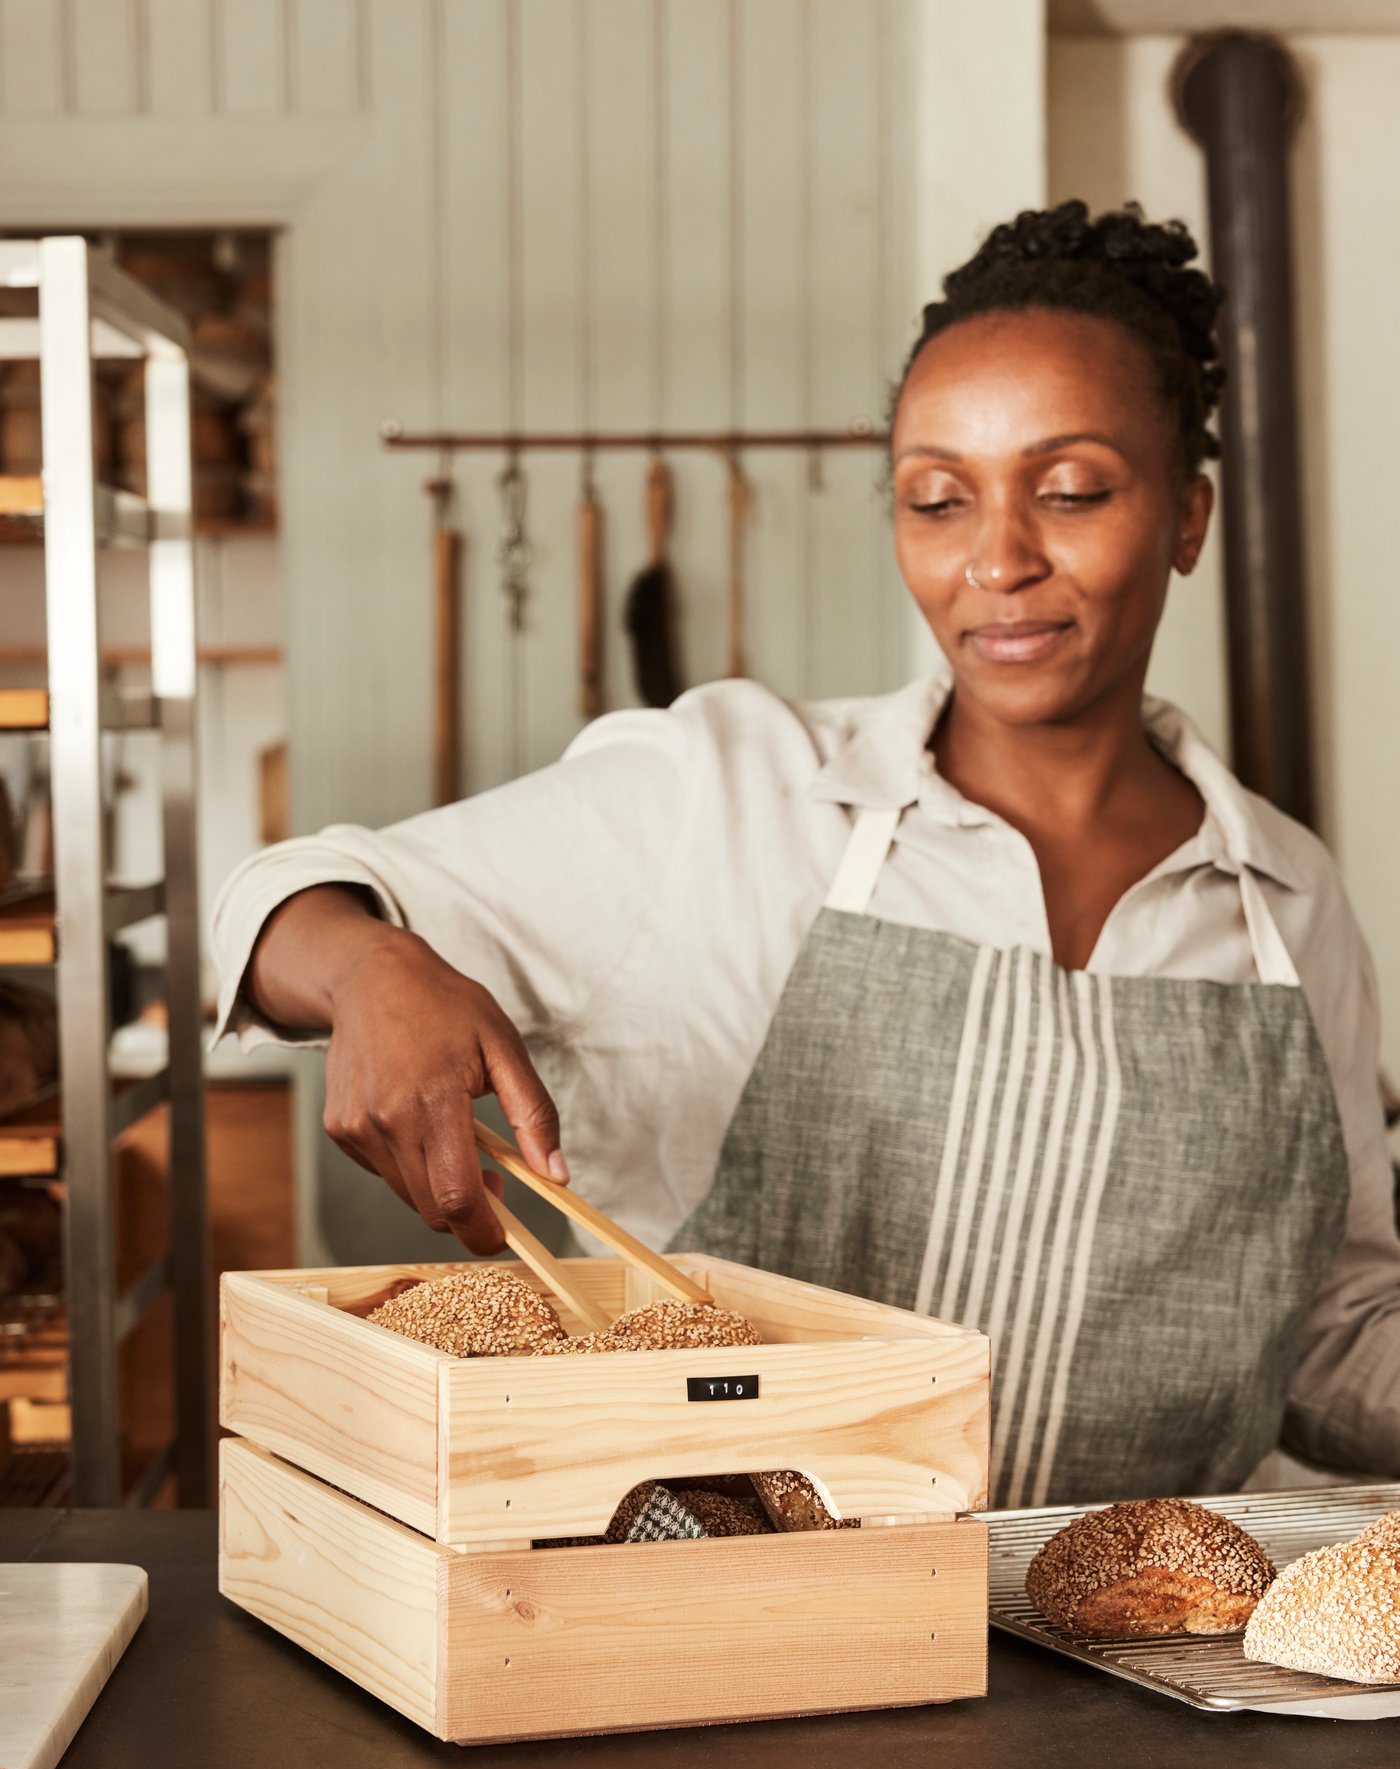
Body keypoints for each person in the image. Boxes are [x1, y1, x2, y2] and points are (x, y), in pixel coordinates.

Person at [212, 201, 1400, 1509]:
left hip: (1142, 1657)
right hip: (738, 1631)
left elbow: (1329, 1326)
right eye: (937, 499)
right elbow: (271, 913)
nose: (996, 558)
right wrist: (372, 964)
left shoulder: (1285, 896)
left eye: (1070, 491)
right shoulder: (726, 793)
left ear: (1187, 516)